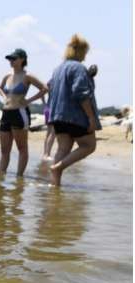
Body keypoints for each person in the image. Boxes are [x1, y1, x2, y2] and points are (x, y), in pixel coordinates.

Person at [47, 35, 101, 186]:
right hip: (75, 116)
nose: (85, 55)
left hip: (57, 115)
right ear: (81, 51)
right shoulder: (79, 68)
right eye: (86, 52)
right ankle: (58, 168)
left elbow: (50, 87)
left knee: (63, 149)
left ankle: (54, 187)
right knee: (89, 145)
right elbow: (80, 93)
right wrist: (90, 118)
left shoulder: (58, 69)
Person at [0, 48, 48, 177]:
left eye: (14, 58)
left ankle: (19, 178)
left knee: (22, 148)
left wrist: (29, 100)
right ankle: (0, 177)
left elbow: (45, 88)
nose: (11, 61)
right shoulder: (7, 76)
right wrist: (4, 97)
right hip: (6, 113)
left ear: (22, 60)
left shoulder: (27, 76)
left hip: (20, 113)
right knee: (4, 150)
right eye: (10, 59)